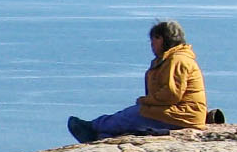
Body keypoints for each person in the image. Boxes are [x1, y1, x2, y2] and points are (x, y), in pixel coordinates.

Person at [68, 20, 217, 143]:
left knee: (132, 114)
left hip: (182, 116)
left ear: (162, 39)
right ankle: (101, 136)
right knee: (131, 115)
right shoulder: (171, 59)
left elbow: (171, 95)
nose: (152, 45)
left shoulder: (177, 60)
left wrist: (145, 101)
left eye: (153, 40)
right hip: (179, 114)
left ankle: (92, 127)